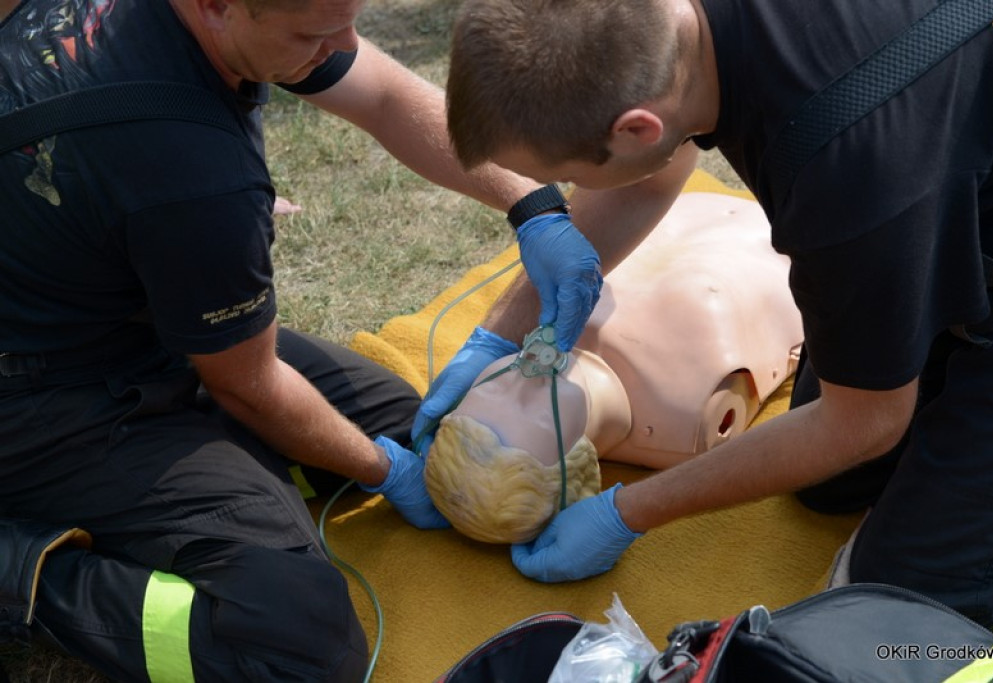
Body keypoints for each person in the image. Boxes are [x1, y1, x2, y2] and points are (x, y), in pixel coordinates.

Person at [0, 0, 636, 679]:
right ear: (216, 7)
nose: (341, 44)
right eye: (315, 33)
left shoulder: (225, 28)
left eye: (350, 16)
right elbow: (249, 384)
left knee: (402, 421)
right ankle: (23, 573)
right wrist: (383, 470)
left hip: (121, 315)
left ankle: (212, 471)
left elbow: (389, 97)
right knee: (302, 646)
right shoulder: (194, 172)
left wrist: (533, 206)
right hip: (43, 398)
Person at [414, 0, 993, 628]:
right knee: (827, 487)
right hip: (956, 168)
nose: (573, 197)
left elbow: (865, 422)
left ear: (636, 128)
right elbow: (652, 171)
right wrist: (495, 339)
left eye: (568, 177)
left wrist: (629, 512)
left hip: (969, 220)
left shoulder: (849, 172)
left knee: (891, 621)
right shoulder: (673, 36)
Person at [424, 190, 802, 544]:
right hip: (792, 235)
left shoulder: (530, 325)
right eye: (532, 413)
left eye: (493, 387)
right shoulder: (685, 418)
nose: (525, 376)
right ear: (574, 467)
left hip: (671, 201)